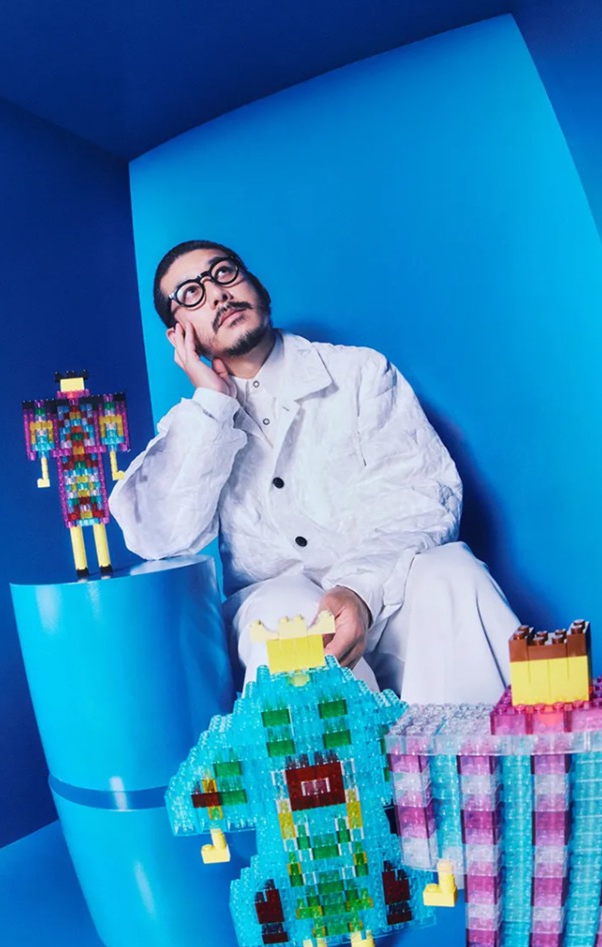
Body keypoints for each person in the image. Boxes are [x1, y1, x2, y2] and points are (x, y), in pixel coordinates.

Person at [109, 240, 520, 703]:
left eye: (224, 272)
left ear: (255, 284)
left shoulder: (360, 372)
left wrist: (357, 591)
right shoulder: (200, 426)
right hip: (278, 608)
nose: (218, 293)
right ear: (179, 334)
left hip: (390, 588)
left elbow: (420, 495)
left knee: (453, 572)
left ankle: (476, 746)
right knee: (286, 620)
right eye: (191, 294)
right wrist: (212, 406)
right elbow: (156, 537)